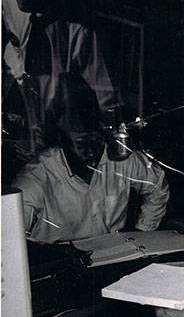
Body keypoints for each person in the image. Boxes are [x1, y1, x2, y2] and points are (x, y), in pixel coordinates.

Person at [11, 73, 168, 244]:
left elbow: (157, 185)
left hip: (113, 254)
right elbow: (9, 239)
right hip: (60, 261)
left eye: (95, 136)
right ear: (60, 140)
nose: (92, 149)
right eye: (80, 140)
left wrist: (141, 233)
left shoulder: (119, 157)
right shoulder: (36, 178)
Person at [2, 0, 122, 153]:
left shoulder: (79, 31)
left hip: (64, 140)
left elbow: (108, 100)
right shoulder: (9, 5)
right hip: (22, 120)